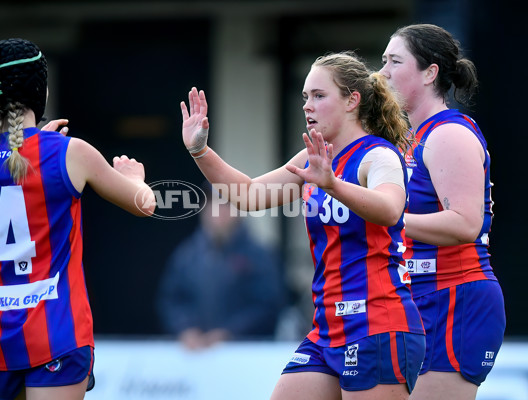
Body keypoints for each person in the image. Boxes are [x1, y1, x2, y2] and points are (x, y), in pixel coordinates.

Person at [180, 51, 425, 400]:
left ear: (352, 100)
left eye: (319, 96)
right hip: (327, 327)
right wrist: (200, 151)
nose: (308, 106)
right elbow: (248, 196)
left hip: (377, 322)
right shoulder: (314, 157)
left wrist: (332, 185)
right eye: (305, 97)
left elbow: (389, 209)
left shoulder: (378, 155)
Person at [0, 38, 156, 400]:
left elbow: (11, 179)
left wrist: (38, 151)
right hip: (57, 332)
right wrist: (135, 178)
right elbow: (145, 204)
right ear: (41, 91)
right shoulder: (70, 153)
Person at [379, 24, 505, 400]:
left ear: (430, 73)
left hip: (456, 300)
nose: (382, 71)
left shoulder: (448, 133)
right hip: (414, 301)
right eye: (383, 60)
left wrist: (385, 216)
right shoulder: (402, 137)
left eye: (395, 61)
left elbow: (466, 223)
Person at [156, 182, 284, 350]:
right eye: (213, 203)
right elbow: (170, 299)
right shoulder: (187, 255)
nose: (218, 211)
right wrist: (185, 329)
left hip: (246, 356)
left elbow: (268, 306)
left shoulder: (259, 255)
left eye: (226, 204)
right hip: (194, 356)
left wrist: (229, 333)